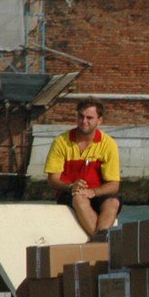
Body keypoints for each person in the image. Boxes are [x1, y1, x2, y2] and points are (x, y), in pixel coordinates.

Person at [44, 97, 121, 236]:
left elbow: (114, 185)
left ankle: (98, 242)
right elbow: (52, 180)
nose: (84, 121)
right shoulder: (61, 141)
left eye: (89, 118)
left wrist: (93, 192)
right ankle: (100, 242)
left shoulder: (108, 144)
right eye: (81, 116)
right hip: (69, 193)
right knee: (79, 198)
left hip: (97, 193)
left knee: (113, 202)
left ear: (100, 120)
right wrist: (71, 187)